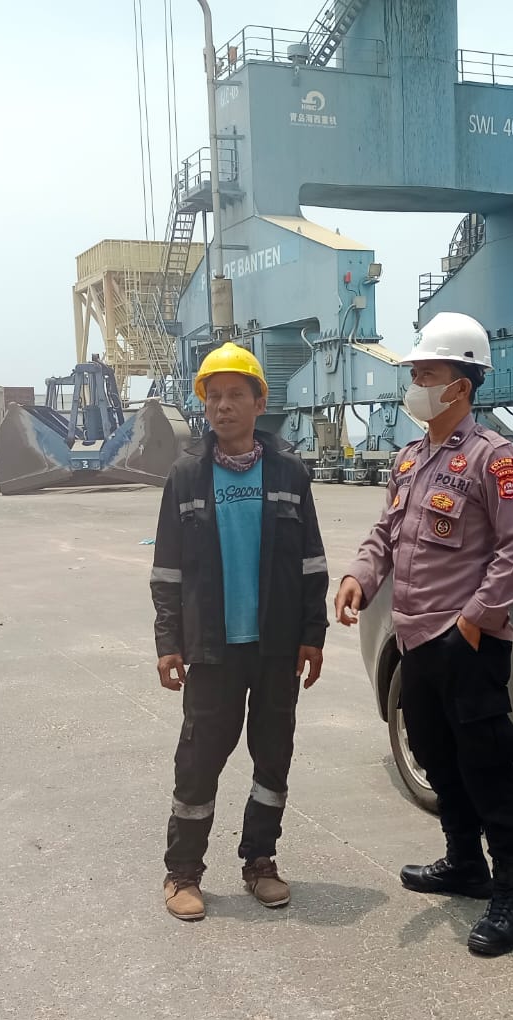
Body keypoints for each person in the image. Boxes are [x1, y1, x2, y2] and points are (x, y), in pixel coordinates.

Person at [333, 312, 513, 956]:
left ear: (462, 385)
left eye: (428, 373)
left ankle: (512, 895)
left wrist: (474, 619)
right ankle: (465, 863)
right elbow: (386, 534)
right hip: (415, 640)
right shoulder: (410, 459)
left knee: (487, 766)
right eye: (416, 373)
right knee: (434, 755)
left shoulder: (492, 458)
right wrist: (361, 576)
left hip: (466, 645)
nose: (416, 383)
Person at [149, 342, 330, 922]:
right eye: (213, 397)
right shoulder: (186, 475)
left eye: (235, 395)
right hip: (212, 648)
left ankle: (260, 861)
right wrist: (168, 643)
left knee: (272, 757)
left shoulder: (289, 472)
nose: (223, 406)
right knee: (199, 761)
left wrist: (313, 632)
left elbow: (311, 561)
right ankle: (183, 872)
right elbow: (167, 570)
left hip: (276, 646)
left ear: (259, 403)